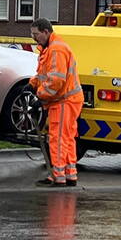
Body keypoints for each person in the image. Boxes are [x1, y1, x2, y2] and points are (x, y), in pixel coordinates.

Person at [29, 18, 84, 187]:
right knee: (66, 137)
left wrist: (41, 96)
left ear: (46, 32)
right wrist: (31, 84)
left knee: (58, 138)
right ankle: (69, 174)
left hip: (63, 101)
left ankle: (58, 176)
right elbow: (44, 74)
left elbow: (56, 81)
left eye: (36, 34)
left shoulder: (56, 50)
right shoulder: (50, 49)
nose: (34, 38)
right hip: (67, 100)